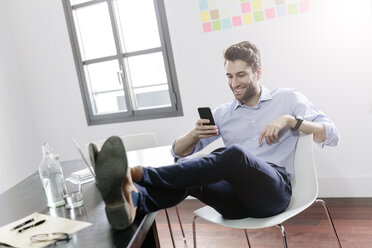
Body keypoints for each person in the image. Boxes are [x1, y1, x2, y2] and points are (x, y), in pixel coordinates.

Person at [89, 41, 339, 230]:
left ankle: (135, 174)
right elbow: (178, 152)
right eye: (229, 76)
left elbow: (331, 134)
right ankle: (137, 201)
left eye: (241, 75)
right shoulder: (222, 113)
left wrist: (290, 121)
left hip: (273, 194)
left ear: (258, 73)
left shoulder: (287, 99)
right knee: (190, 169)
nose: (234, 83)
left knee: (234, 155)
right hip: (233, 204)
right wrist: (195, 135)